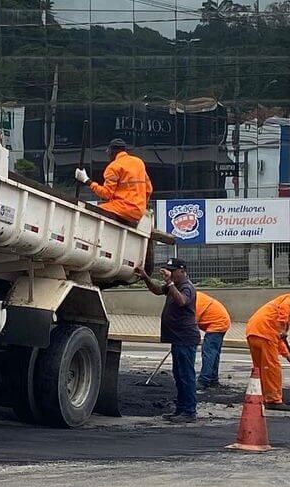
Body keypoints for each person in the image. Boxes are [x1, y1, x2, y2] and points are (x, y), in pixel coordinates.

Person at [137, 258, 199, 422]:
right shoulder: (175, 285)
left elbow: (182, 301)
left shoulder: (187, 287)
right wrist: (145, 277)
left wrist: (170, 283)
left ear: (182, 271)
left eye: (172, 270)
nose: (170, 273)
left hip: (185, 338)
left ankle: (189, 411)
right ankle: (181, 409)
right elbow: (157, 290)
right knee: (179, 375)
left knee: (186, 376)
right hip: (177, 339)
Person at [245, 292, 290, 411]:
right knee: (272, 368)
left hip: (253, 331)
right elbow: (284, 309)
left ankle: (259, 394)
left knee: (259, 368)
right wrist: (282, 328)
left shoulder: (273, 312)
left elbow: (279, 341)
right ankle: (273, 400)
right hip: (265, 333)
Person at [73, 139, 152, 225]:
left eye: (108, 151)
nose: (108, 154)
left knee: (93, 211)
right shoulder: (139, 163)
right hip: (138, 212)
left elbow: (106, 194)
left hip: (123, 208)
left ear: (113, 151)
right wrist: (141, 206)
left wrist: (86, 180)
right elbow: (149, 189)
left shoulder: (113, 167)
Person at [195, 291, 231, 391]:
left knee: (208, 352)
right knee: (214, 353)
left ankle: (204, 381)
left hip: (217, 323)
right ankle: (213, 379)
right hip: (221, 321)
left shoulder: (194, 301)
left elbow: (191, 323)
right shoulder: (194, 296)